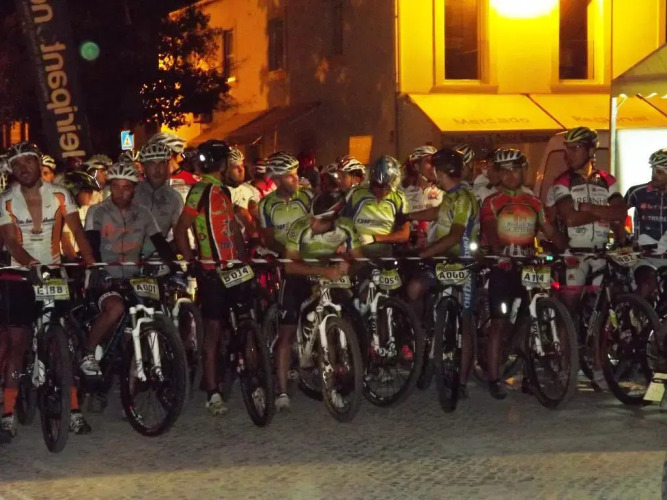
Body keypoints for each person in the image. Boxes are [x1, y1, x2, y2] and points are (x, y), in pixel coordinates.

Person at [0, 142, 97, 441]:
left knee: (64, 340)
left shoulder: (60, 194)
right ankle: (8, 414)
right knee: (17, 345)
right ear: (12, 171)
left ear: (38, 163)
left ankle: (74, 410)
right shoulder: (6, 200)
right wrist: (31, 265)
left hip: (53, 272)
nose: (23, 168)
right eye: (17, 165)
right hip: (18, 274)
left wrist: (92, 264)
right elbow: (11, 242)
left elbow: (77, 232)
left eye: (27, 161)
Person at [481, 148, 566, 400]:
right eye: (505, 171)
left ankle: (530, 375)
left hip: (528, 266)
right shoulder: (491, 201)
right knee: (499, 322)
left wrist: (566, 249)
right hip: (503, 265)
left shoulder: (534, 202)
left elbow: (549, 230)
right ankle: (494, 378)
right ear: (498, 174)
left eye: (515, 170)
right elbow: (489, 228)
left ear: (523, 171)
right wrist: (498, 248)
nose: (510, 175)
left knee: (533, 316)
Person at [82, 162, 176, 380]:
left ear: (134, 188)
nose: (120, 192)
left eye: (126, 187)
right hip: (103, 277)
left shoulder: (143, 213)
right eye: (116, 187)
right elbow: (92, 246)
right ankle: (87, 353)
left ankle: (131, 380)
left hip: (133, 278)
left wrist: (176, 266)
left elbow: (160, 243)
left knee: (145, 313)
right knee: (115, 308)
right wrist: (100, 271)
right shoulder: (97, 212)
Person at [174, 140, 245, 416]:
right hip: (212, 270)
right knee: (213, 329)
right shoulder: (199, 190)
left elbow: (231, 227)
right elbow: (181, 228)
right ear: (223, 164)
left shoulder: (223, 190)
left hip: (233, 267)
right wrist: (192, 262)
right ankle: (212, 391)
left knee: (243, 319)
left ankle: (247, 373)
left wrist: (243, 257)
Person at [276, 191, 363, 411]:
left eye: (320, 222)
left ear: (333, 220)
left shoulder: (346, 227)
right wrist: (323, 271)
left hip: (328, 276)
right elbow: (289, 266)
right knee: (287, 332)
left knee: (339, 317)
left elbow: (359, 258)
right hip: (298, 277)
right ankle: (282, 391)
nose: (313, 224)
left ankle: (336, 384)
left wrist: (348, 263)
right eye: (313, 218)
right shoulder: (300, 227)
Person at [405, 149, 479, 396]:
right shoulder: (450, 195)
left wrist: (425, 253)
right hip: (442, 264)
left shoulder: (464, 197)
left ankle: (462, 382)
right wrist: (406, 216)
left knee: (465, 323)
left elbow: (456, 234)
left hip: (462, 265)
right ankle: (424, 336)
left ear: (440, 172)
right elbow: (435, 213)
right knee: (414, 288)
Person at [343, 155, 410, 257]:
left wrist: (374, 238)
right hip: (356, 253)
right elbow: (342, 225)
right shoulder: (355, 194)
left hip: (384, 255)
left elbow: (404, 235)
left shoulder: (399, 198)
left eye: (387, 188)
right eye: (379, 186)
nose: (383, 192)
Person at [624, 148, 667, 300]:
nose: (654, 175)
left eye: (659, 172)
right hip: (644, 257)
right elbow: (616, 215)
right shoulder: (637, 192)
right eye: (653, 170)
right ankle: (635, 311)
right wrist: (624, 238)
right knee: (647, 284)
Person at [258, 152, 314, 256]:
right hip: (284, 257)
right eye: (289, 175)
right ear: (276, 180)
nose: (296, 178)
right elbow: (269, 241)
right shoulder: (265, 204)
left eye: (296, 173)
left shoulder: (309, 195)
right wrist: (291, 254)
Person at [134, 142, 184, 250]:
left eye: (161, 163)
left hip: (159, 254)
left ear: (168, 166)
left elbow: (180, 234)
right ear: (143, 167)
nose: (157, 169)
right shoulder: (131, 194)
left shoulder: (174, 198)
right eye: (152, 164)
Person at [399, 145, 443, 250]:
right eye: (429, 162)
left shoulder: (443, 191)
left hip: (436, 250)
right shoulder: (402, 192)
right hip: (408, 250)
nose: (434, 166)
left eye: (436, 162)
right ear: (416, 166)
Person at [61, 171, 101, 259]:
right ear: (75, 191)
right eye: (88, 191)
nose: (91, 195)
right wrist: (77, 261)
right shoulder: (62, 210)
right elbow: (65, 243)